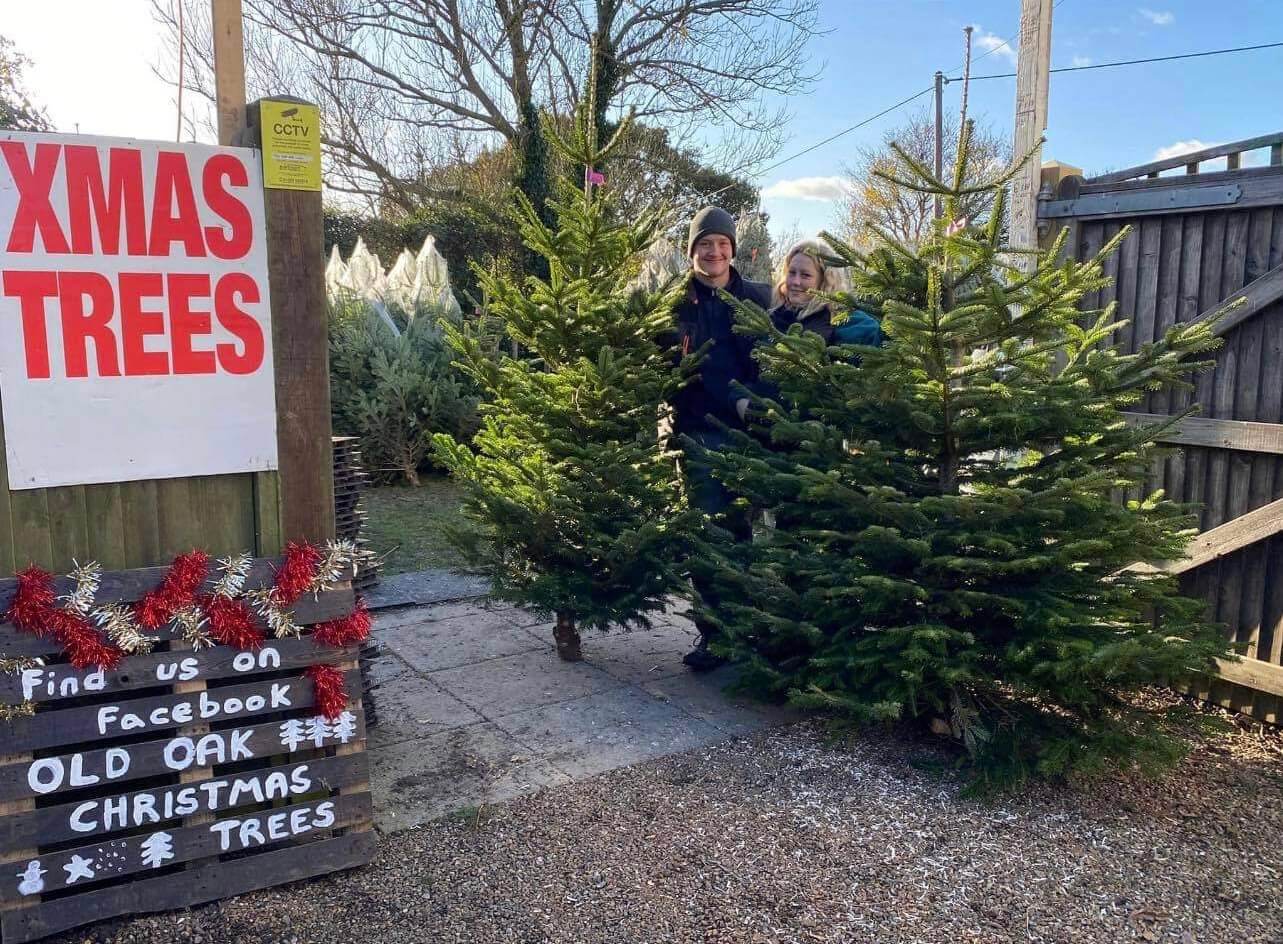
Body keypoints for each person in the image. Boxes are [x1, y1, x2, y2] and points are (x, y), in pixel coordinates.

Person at [669, 206, 772, 672]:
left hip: (752, 437)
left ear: (733, 249)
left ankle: (749, 631)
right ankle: (715, 635)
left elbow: (783, 350)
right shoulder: (674, 305)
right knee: (709, 536)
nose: (714, 252)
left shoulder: (758, 298)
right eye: (704, 244)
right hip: (700, 436)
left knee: (745, 534)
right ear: (693, 251)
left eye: (722, 244)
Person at [768, 239, 882, 347]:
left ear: (826, 280)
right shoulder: (774, 318)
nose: (795, 281)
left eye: (805, 275)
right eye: (792, 272)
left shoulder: (853, 324)